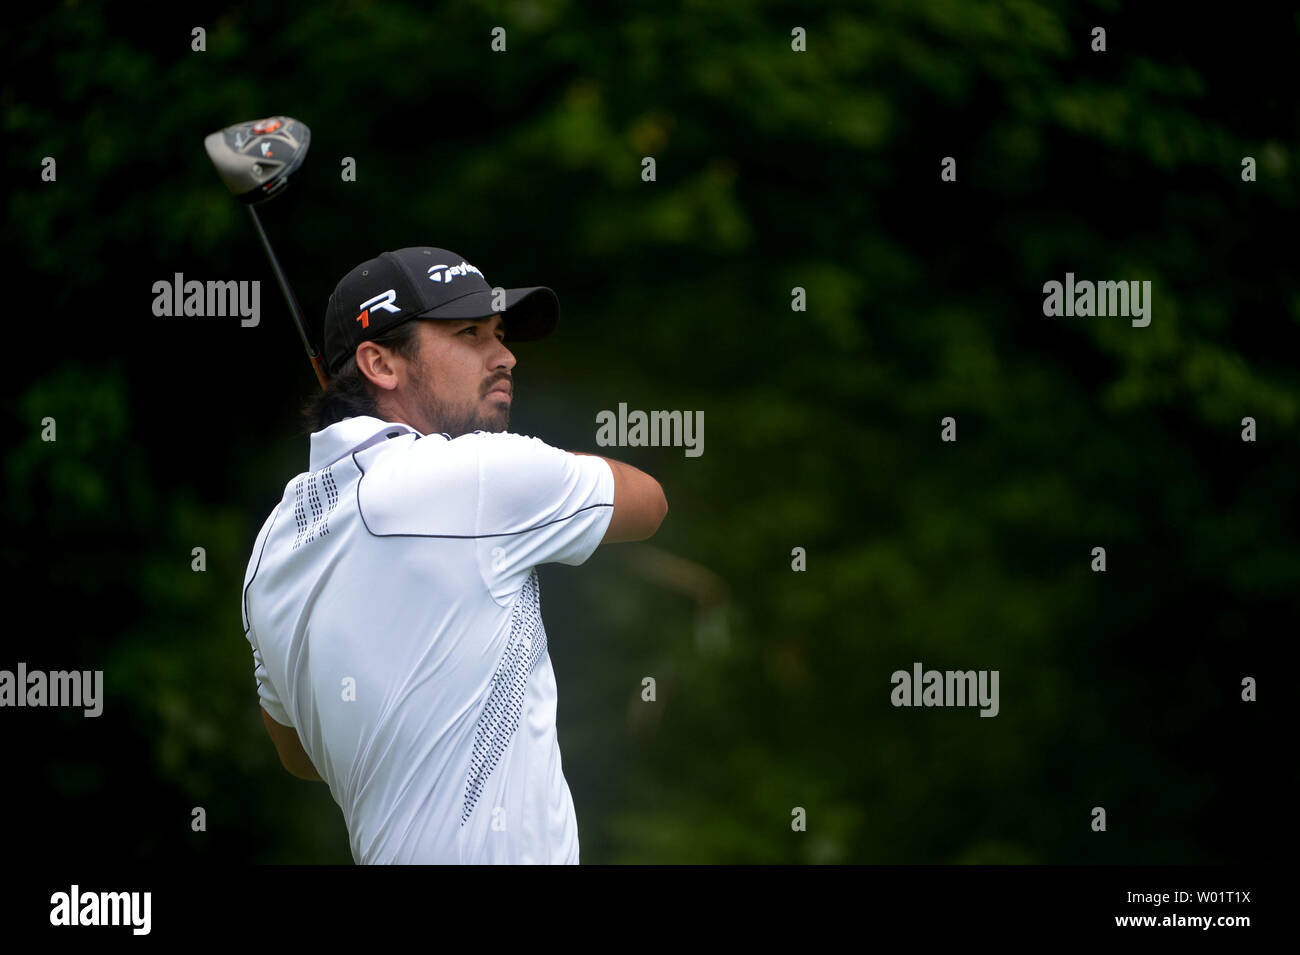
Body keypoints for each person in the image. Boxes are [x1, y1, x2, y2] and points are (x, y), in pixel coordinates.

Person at [239, 246, 667, 863]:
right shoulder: (477, 474)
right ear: (380, 364)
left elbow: (301, 754)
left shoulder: (272, 548)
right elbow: (648, 504)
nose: (505, 357)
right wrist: (521, 468)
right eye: (469, 334)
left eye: (498, 334)